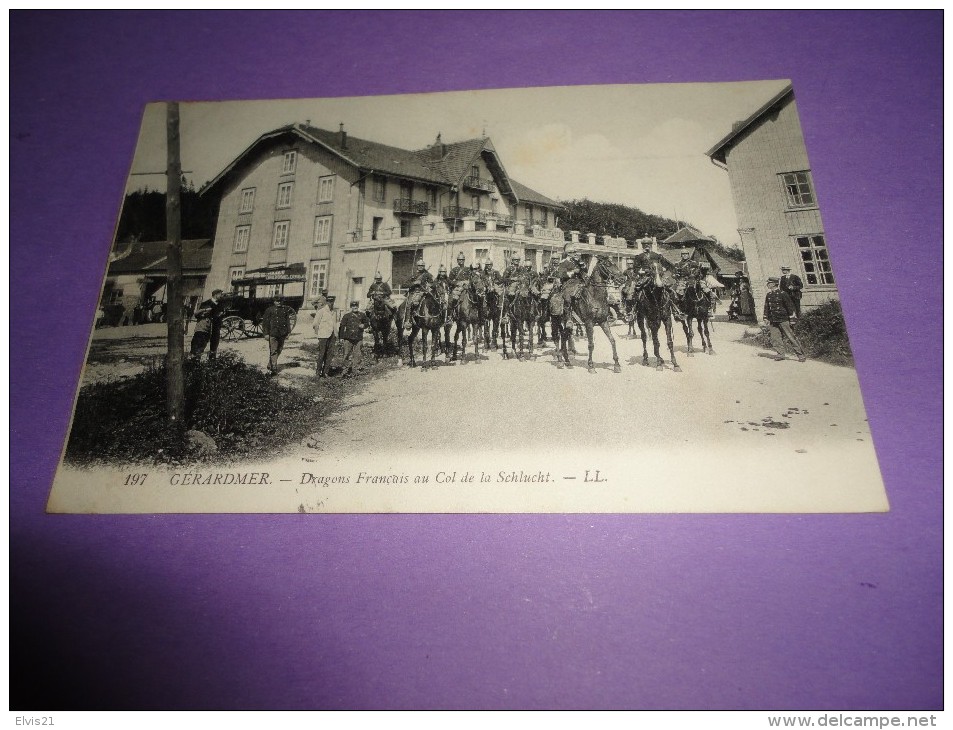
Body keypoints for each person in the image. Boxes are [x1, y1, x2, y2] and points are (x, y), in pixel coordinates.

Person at [762, 277, 806, 362]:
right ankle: (780, 354)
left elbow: (790, 306)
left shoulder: (783, 294)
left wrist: (792, 319)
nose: (767, 284)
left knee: (791, 337)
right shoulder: (769, 295)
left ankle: (801, 355)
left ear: (774, 284)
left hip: (783, 319)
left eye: (769, 283)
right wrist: (765, 317)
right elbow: (766, 307)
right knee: (775, 338)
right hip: (773, 320)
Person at [260, 298, 296, 375]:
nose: (279, 302)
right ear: (274, 301)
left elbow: (287, 322)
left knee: (279, 349)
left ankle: (270, 364)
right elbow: (265, 323)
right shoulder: (269, 310)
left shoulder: (285, 310)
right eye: (277, 301)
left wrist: (289, 332)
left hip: (282, 333)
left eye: (280, 301)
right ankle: (274, 368)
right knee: (273, 350)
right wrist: (266, 334)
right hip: (272, 333)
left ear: (282, 302)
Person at [190, 289, 227, 361]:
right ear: (215, 294)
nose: (221, 296)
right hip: (206, 328)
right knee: (200, 344)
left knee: (214, 345)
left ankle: (212, 360)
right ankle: (196, 360)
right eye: (220, 294)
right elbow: (198, 315)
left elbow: (222, 315)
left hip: (216, 328)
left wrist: (221, 315)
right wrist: (205, 312)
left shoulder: (220, 304)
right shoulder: (206, 303)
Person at [338, 301, 369, 377]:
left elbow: (367, 323)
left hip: (358, 337)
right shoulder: (346, 316)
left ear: (358, 307)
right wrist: (341, 337)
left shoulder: (362, 315)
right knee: (346, 354)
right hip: (348, 338)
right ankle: (345, 370)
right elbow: (342, 327)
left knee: (358, 354)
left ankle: (356, 369)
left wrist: (364, 325)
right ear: (351, 307)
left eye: (356, 306)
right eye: (353, 306)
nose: (355, 307)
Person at [310, 294, 337, 379]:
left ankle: (325, 372)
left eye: (332, 302)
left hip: (332, 335)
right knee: (322, 354)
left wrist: (336, 334)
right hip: (323, 336)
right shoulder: (321, 311)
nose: (330, 303)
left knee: (330, 354)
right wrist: (318, 334)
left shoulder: (334, 312)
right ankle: (318, 373)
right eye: (329, 301)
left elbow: (335, 324)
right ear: (326, 302)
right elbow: (315, 324)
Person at [405, 260, 434, 331]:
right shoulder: (413, 275)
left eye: (422, 266)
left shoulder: (428, 275)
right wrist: (414, 283)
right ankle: (408, 320)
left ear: (424, 266)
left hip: (424, 293)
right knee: (409, 304)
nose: (420, 267)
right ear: (417, 266)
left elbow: (433, 283)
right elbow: (404, 284)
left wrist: (429, 286)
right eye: (419, 266)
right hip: (414, 292)